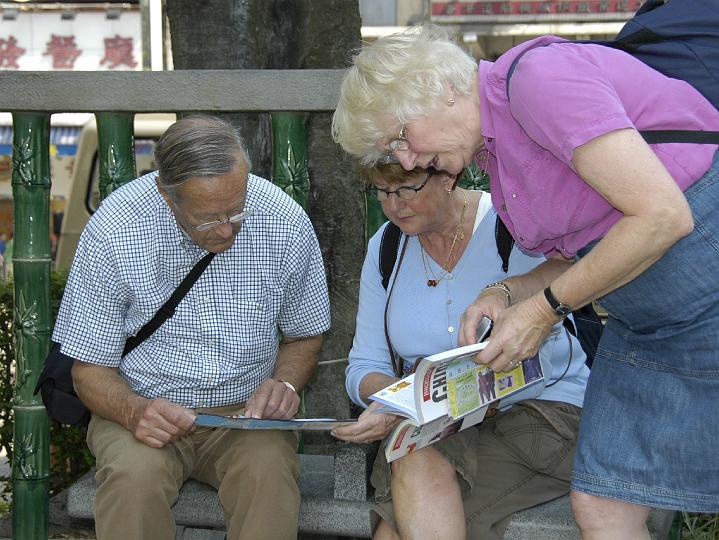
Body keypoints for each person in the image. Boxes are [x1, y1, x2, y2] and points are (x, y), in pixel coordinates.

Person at [332, 25, 719, 537]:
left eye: (400, 139)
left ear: (437, 87)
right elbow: (586, 254)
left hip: (704, 287)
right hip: (646, 318)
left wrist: (543, 311)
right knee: (604, 502)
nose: (405, 161)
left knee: (606, 501)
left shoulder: (537, 80)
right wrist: (509, 292)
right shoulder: (497, 158)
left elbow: (663, 217)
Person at [53, 115, 330, 540]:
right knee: (133, 480)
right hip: (142, 410)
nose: (227, 229)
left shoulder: (282, 220)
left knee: (268, 475)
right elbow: (87, 369)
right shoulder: (115, 228)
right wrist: (135, 411)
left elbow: (305, 333)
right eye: (207, 218)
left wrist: (286, 385)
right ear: (167, 194)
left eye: (237, 210)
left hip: (244, 415)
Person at [332, 163, 589, 540]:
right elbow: (364, 367)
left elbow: (539, 360)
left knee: (401, 517)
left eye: (406, 188)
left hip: (542, 411)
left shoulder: (511, 228)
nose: (394, 205)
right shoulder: (386, 246)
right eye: (382, 192)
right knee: (417, 469)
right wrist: (395, 402)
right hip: (439, 427)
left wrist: (436, 404)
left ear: (448, 176)